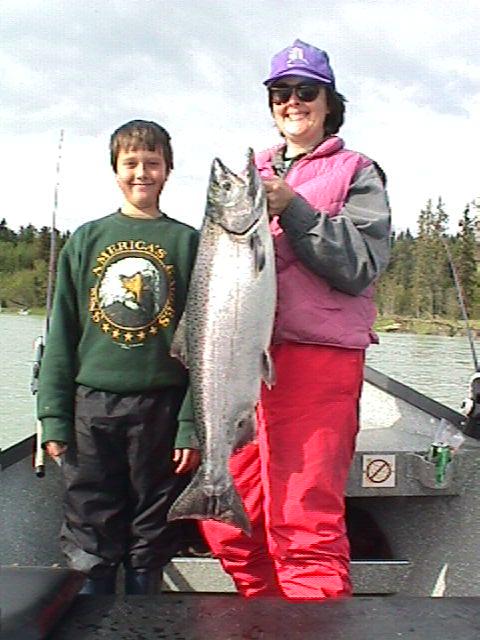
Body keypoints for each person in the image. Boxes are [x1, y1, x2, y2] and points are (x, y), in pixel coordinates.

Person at [198, 39, 391, 599]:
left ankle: (310, 624)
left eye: (305, 91)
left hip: (319, 361)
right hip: (242, 365)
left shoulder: (358, 173)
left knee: (305, 526)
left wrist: (297, 210)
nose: (292, 102)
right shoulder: (248, 174)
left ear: (329, 101)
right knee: (226, 523)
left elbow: (361, 265)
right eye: (280, 93)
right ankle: (263, 621)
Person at [37, 119, 200, 595]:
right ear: (116, 170)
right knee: (90, 534)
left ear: (168, 171)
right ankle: (92, 611)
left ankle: (146, 614)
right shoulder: (86, 239)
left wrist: (190, 424)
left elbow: (203, 344)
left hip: (163, 409)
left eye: (152, 163)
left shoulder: (188, 243)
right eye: (131, 163)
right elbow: (61, 333)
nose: (141, 173)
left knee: (152, 535)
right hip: (92, 408)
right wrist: (53, 416)